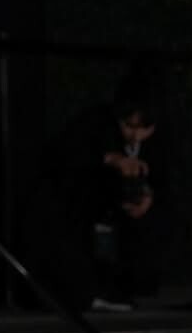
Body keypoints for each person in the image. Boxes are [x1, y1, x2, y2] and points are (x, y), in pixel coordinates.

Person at [21, 71, 169, 314]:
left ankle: (123, 286)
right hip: (81, 207)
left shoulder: (159, 140)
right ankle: (84, 290)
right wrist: (110, 159)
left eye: (145, 128)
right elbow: (61, 158)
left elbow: (163, 180)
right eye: (129, 126)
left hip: (122, 213)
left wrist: (147, 198)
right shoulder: (94, 123)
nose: (136, 136)